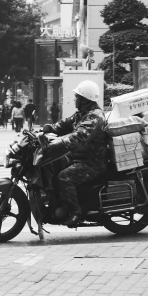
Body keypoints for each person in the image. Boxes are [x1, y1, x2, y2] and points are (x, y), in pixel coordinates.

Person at [42, 80, 108, 227]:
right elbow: (64, 125)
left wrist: (57, 143)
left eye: (77, 97)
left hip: (92, 163)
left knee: (64, 177)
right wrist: (46, 130)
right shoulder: (82, 114)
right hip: (78, 158)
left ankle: (75, 212)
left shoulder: (94, 117)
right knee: (53, 166)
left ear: (85, 99)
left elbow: (78, 137)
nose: (75, 99)